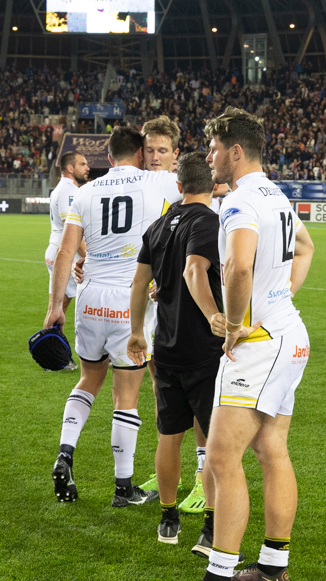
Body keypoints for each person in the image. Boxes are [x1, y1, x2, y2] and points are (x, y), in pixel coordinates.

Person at [202, 107, 316, 581]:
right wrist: (280, 296)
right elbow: (306, 247)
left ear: (235, 151)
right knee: (272, 449)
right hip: (289, 335)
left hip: (262, 343)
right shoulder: (277, 195)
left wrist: (233, 324)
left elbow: (239, 266)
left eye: (213, 149)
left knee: (220, 456)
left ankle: (219, 572)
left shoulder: (240, 201)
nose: (209, 157)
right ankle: (273, 568)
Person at [44, 125, 182, 507]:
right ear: (140, 155)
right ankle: (124, 488)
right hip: (129, 299)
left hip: (89, 298)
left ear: (108, 158)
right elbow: (205, 189)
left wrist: (55, 306)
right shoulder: (158, 183)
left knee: (88, 379)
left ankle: (65, 453)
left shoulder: (86, 191)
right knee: (126, 396)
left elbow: (66, 252)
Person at [127, 153, 225, 550]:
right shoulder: (210, 222)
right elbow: (194, 270)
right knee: (216, 441)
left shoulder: (157, 226)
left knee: (169, 436)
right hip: (203, 348)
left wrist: (136, 333)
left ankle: (168, 520)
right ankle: (211, 528)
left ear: (179, 186)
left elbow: (139, 284)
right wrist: (214, 315)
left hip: (164, 348)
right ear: (213, 186)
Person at [136, 116, 209, 515]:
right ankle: (171, 474)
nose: (154, 156)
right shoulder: (142, 188)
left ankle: (201, 475)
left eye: (162, 150)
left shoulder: (182, 190)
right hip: (155, 307)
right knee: (161, 389)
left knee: (198, 397)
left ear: (175, 155)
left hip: (184, 307)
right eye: (149, 150)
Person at [46, 151, 90, 353]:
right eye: (82, 164)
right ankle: (55, 354)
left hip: (56, 251)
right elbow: (71, 231)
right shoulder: (69, 191)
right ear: (70, 168)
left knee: (57, 307)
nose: (87, 168)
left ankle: (52, 353)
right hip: (68, 256)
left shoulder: (63, 188)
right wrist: (89, 255)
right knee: (68, 307)